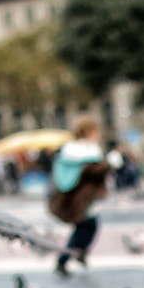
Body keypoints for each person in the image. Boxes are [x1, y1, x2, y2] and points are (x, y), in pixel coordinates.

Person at [48, 116, 110, 276]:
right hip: (82, 198)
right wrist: (109, 163)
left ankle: (77, 254)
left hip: (77, 198)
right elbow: (93, 170)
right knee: (85, 228)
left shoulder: (70, 150)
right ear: (89, 132)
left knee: (86, 227)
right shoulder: (86, 150)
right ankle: (64, 259)